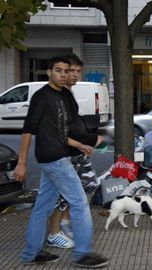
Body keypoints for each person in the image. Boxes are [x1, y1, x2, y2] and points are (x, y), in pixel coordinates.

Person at [13, 57, 109, 268]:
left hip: (59, 155)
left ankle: (31, 253)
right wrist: (21, 163)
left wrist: (79, 145)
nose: (64, 74)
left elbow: (61, 131)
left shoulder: (64, 95)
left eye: (67, 71)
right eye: (59, 70)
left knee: (42, 207)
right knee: (79, 202)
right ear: (49, 72)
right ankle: (82, 254)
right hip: (53, 158)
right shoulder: (42, 97)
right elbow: (29, 129)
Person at [46, 54, 103, 249]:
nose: (75, 75)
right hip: (63, 154)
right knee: (62, 195)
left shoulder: (67, 94)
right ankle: (54, 234)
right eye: (71, 71)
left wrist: (83, 142)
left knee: (89, 184)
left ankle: (65, 221)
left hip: (76, 152)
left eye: (78, 71)